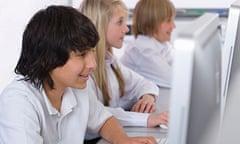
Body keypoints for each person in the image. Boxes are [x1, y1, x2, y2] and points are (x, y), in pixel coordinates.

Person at [0, 5, 158, 144]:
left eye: (92, 51)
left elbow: (104, 121)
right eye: (82, 54)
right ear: (47, 59)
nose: (93, 64)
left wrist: (123, 140)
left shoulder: (76, 87)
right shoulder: (18, 102)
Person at [79, 0, 168, 138]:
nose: (126, 29)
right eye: (120, 22)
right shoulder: (83, 71)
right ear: (100, 26)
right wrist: (146, 120)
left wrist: (147, 97)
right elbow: (98, 114)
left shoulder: (110, 62)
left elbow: (145, 83)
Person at [121, 0, 176, 88]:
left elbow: (181, 63)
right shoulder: (142, 50)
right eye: (168, 21)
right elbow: (174, 80)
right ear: (151, 23)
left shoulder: (163, 44)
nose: (173, 26)